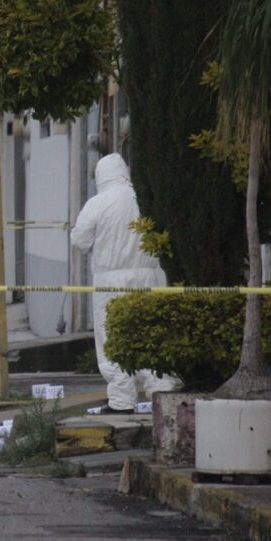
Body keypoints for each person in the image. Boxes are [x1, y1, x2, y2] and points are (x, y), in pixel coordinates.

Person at [71, 153, 182, 413]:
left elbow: (81, 241)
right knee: (151, 332)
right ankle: (161, 393)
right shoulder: (144, 200)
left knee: (113, 336)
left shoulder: (97, 204)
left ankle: (121, 401)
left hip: (111, 282)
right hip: (150, 277)